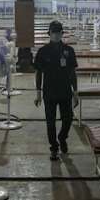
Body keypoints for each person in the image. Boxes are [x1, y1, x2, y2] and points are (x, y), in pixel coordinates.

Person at [34, 20, 78, 161]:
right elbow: (38, 73)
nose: (56, 35)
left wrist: (75, 92)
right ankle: (54, 147)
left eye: (58, 33)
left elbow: (72, 72)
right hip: (49, 92)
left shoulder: (69, 51)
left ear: (61, 34)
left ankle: (62, 137)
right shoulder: (43, 51)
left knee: (68, 119)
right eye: (54, 33)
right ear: (49, 34)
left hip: (65, 91)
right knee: (50, 122)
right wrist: (38, 92)